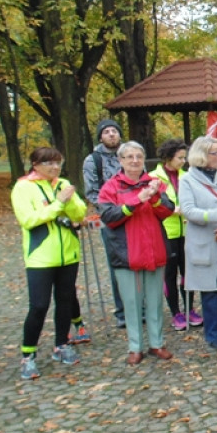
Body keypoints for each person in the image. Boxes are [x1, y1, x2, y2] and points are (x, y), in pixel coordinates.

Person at [12, 147, 87, 380]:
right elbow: (28, 220)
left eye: (58, 163)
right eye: (49, 164)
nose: (55, 168)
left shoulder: (62, 183)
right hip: (41, 258)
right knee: (39, 305)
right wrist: (57, 204)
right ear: (35, 164)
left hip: (68, 254)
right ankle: (28, 355)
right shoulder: (23, 187)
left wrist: (69, 201)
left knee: (65, 300)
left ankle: (61, 344)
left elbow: (79, 213)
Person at [97, 141, 175, 365]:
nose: (134, 161)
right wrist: (134, 202)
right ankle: (135, 346)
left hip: (154, 250)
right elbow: (109, 217)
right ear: (120, 161)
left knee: (155, 302)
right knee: (131, 303)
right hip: (126, 253)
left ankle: (157, 343)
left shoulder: (155, 183)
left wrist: (154, 198)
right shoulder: (111, 187)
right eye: (129, 157)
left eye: (139, 156)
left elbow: (167, 210)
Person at [180, 136, 217, 350]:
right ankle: (214, 335)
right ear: (202, 155)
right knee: (210, 291)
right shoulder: (188, 179)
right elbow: (189, 210)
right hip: (204, 241)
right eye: (215, 152)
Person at [149, 140, 196, 331]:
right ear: (169, 157)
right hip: (167, 232)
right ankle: (175, 311)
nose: (184, 161)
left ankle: (190, 308)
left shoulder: (188, 176)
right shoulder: (153, 178)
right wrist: (170, 210)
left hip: (187, 230)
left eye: (185, 157)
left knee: (189, 272)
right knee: (169, 274)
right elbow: (153, 203)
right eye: (180, 158)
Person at [83, 119, 126, 328]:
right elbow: (92, 192)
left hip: (134, 215)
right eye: (107, 131)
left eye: (114, 131)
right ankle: (122, 311)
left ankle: (141, 307)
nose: (111, 134)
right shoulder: (93, 160)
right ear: (100, 136)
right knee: (116, 263)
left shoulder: (130, 155)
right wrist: (110, 212)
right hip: (110, 219)